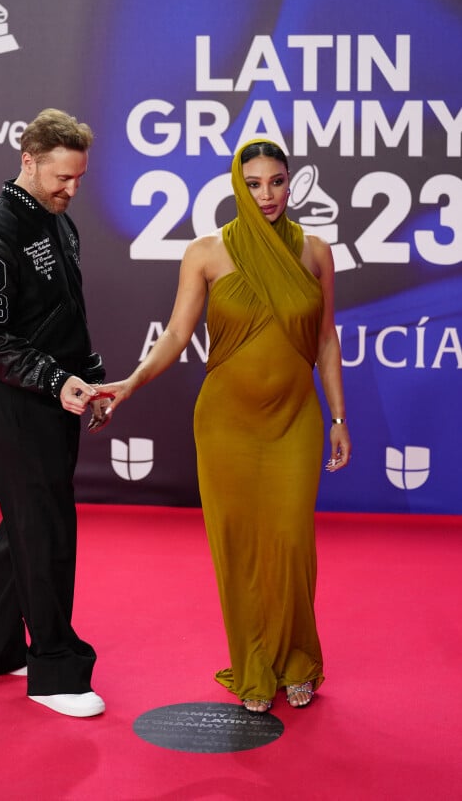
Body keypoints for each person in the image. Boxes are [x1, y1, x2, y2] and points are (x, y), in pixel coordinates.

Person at [102, 139, 352, 713]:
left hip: (296, 421)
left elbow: (325, 339)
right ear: (239, 184)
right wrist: (132, 382)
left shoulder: (315, 251)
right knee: (237, 549)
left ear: (293, 184)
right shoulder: (206, 252)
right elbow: (174, 335)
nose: (267, 194)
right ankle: (254, 667)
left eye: (278, 181)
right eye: (256, 182)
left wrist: (339, 415)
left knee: (291, 545)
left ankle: (297, 660)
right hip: (226, 426)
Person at [0, 108, 112, 718]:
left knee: (24, 522)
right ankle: (55, 672)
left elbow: (63, 316)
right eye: (61, 178)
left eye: (78, 179)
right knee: (45, 529)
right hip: (22, 405)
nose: (71, 191)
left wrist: (90, 381)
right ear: (29, 160)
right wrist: (58, 382)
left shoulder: (57, 222)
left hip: (57, 397)